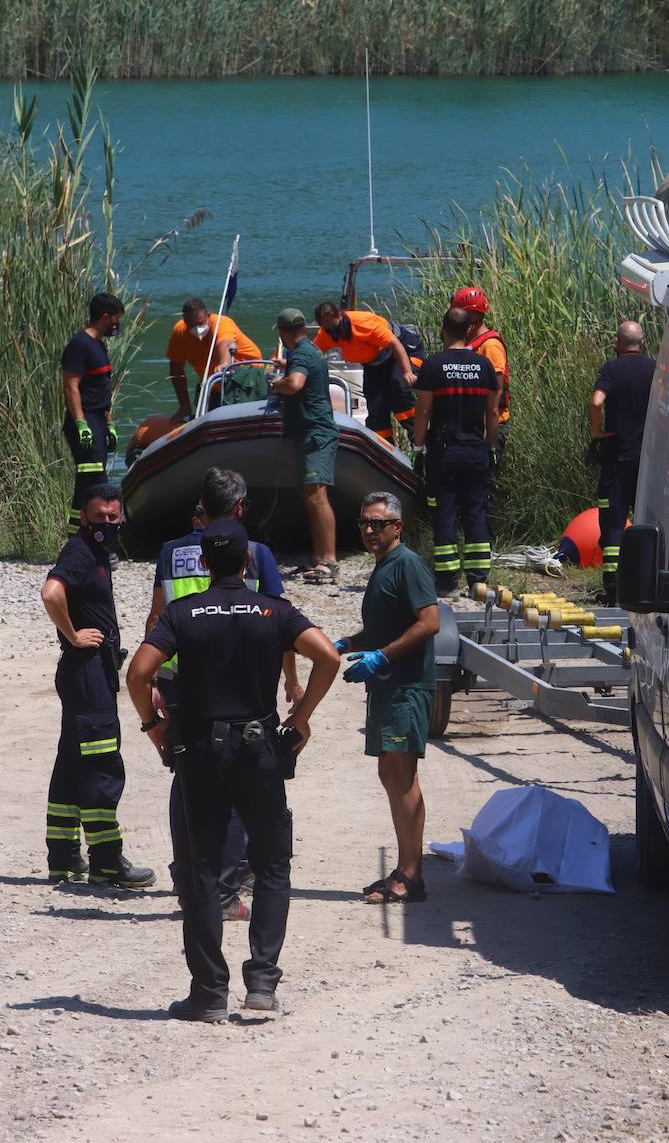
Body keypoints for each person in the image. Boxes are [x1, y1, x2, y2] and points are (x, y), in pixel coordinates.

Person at [126, 518, 340, 1023]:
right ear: (247, 561)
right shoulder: (273, 610)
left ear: (204, 563)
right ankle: (262, 982)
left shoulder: (183, 612)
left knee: (201, 872)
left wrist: (154, 726)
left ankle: (208, 994)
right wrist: (300, 718)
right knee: (272, 864)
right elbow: (329, 657)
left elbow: (137, 673)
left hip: (199, 752)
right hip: (258, 749)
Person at [145, 466, 303, 922]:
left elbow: (156, 617)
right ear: (239, 507)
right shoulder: (256, 553)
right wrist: (291, 680)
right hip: (238, 677)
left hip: (179, 676)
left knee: (185, 774)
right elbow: (280, 624)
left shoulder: (171, 552)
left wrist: (154, 680)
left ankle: (189, 878)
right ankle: (224, 891)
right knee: (235, 779)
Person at [40, 483, 154, 889]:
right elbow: (51, 593)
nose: (106, 523)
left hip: (87, 673)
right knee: (102, 762)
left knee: (73, 761)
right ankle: (106, 860)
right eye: (98, 517)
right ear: (84, 517)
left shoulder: (98, 554)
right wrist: (73, 634)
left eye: (112, 516)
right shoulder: (81, 551)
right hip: (86, 672)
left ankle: (64, 857)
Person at [333, 492, 439, 904]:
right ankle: (404, 868)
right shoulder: (383, 567)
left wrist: (382, 657)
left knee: (403, 776)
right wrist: (350, 642)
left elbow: (429, 622)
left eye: (378, 523)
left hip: (406, 687)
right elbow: (385, 629)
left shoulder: (407, 564)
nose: (369, 530)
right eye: (364, 522)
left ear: (397, 526)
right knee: (390, 775)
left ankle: (411, 875)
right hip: (387, 686)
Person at [414, 307, 500, 596]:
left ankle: (448, 582)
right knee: (476, 512)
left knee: (445, 513)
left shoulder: (433, 366)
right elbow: (492, 412)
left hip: (444, 452)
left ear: (443, 330)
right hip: (476, 450)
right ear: (468, 330)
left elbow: (423, 410)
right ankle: (478, 581)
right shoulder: (484, 366)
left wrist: (418, 445)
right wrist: (489, 445)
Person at [588, 320, 656, 604]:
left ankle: (613, 587)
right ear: (642, 342)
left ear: (617, 342)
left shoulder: (611, 369)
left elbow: (596, 401)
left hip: (617, 458)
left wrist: (596, 432)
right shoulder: (655, 369)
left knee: (613, 522)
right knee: (646, 521)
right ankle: (645, 584)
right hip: (649, 459)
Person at [270, 307, 340, 583]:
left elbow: (295, 384)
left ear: (284, 332)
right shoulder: (311, 350)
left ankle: (329, 560)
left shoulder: (299, 353)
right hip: (312, 431)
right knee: (311, 496)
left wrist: (277, 384)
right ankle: (318, 556)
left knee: (317, 497)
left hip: (316, 433)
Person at [313, 301, 424, 443]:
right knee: (375, 409)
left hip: (403, 351)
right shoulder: (324, 335)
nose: (331, 328)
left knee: (398, 390)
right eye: (326, 326)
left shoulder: (363, 325)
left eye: (332, 323)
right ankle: (384, 448)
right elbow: (313, 354)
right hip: (375, 363)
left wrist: (407, 372)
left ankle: (420, 438)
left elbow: (396, 345)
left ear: (340, 315)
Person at [61, 293, 125, 535]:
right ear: (105, 317)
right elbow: (71, 386)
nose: (117, 324)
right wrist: (81, 424)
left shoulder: (98, 345)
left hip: (98, 420)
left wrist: (109, 424)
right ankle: (84, 536)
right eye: (116, 318)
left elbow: (102, 389)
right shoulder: (80, 345)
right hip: (85, 421)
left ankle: (84, 536)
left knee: (92, 483)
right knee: (93, 483)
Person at [451, 285, 510, 533]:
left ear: (474, 315)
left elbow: (496, 391)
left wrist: (488, 431)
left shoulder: (490, 346)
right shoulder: (470, 342)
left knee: (486, 484)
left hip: (490, 424)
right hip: (472, 424)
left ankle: (488, 536)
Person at [166, 298, 263, 424]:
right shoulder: (180, 331)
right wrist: (184, 406)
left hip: (249, 381)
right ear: (185, 321)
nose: (198, 329)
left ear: (208, 315)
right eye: (193, 325)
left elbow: (225, 343)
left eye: (201, 323)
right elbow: (176, 368)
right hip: (213, 387)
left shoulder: (222, 323)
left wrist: (224, 362)